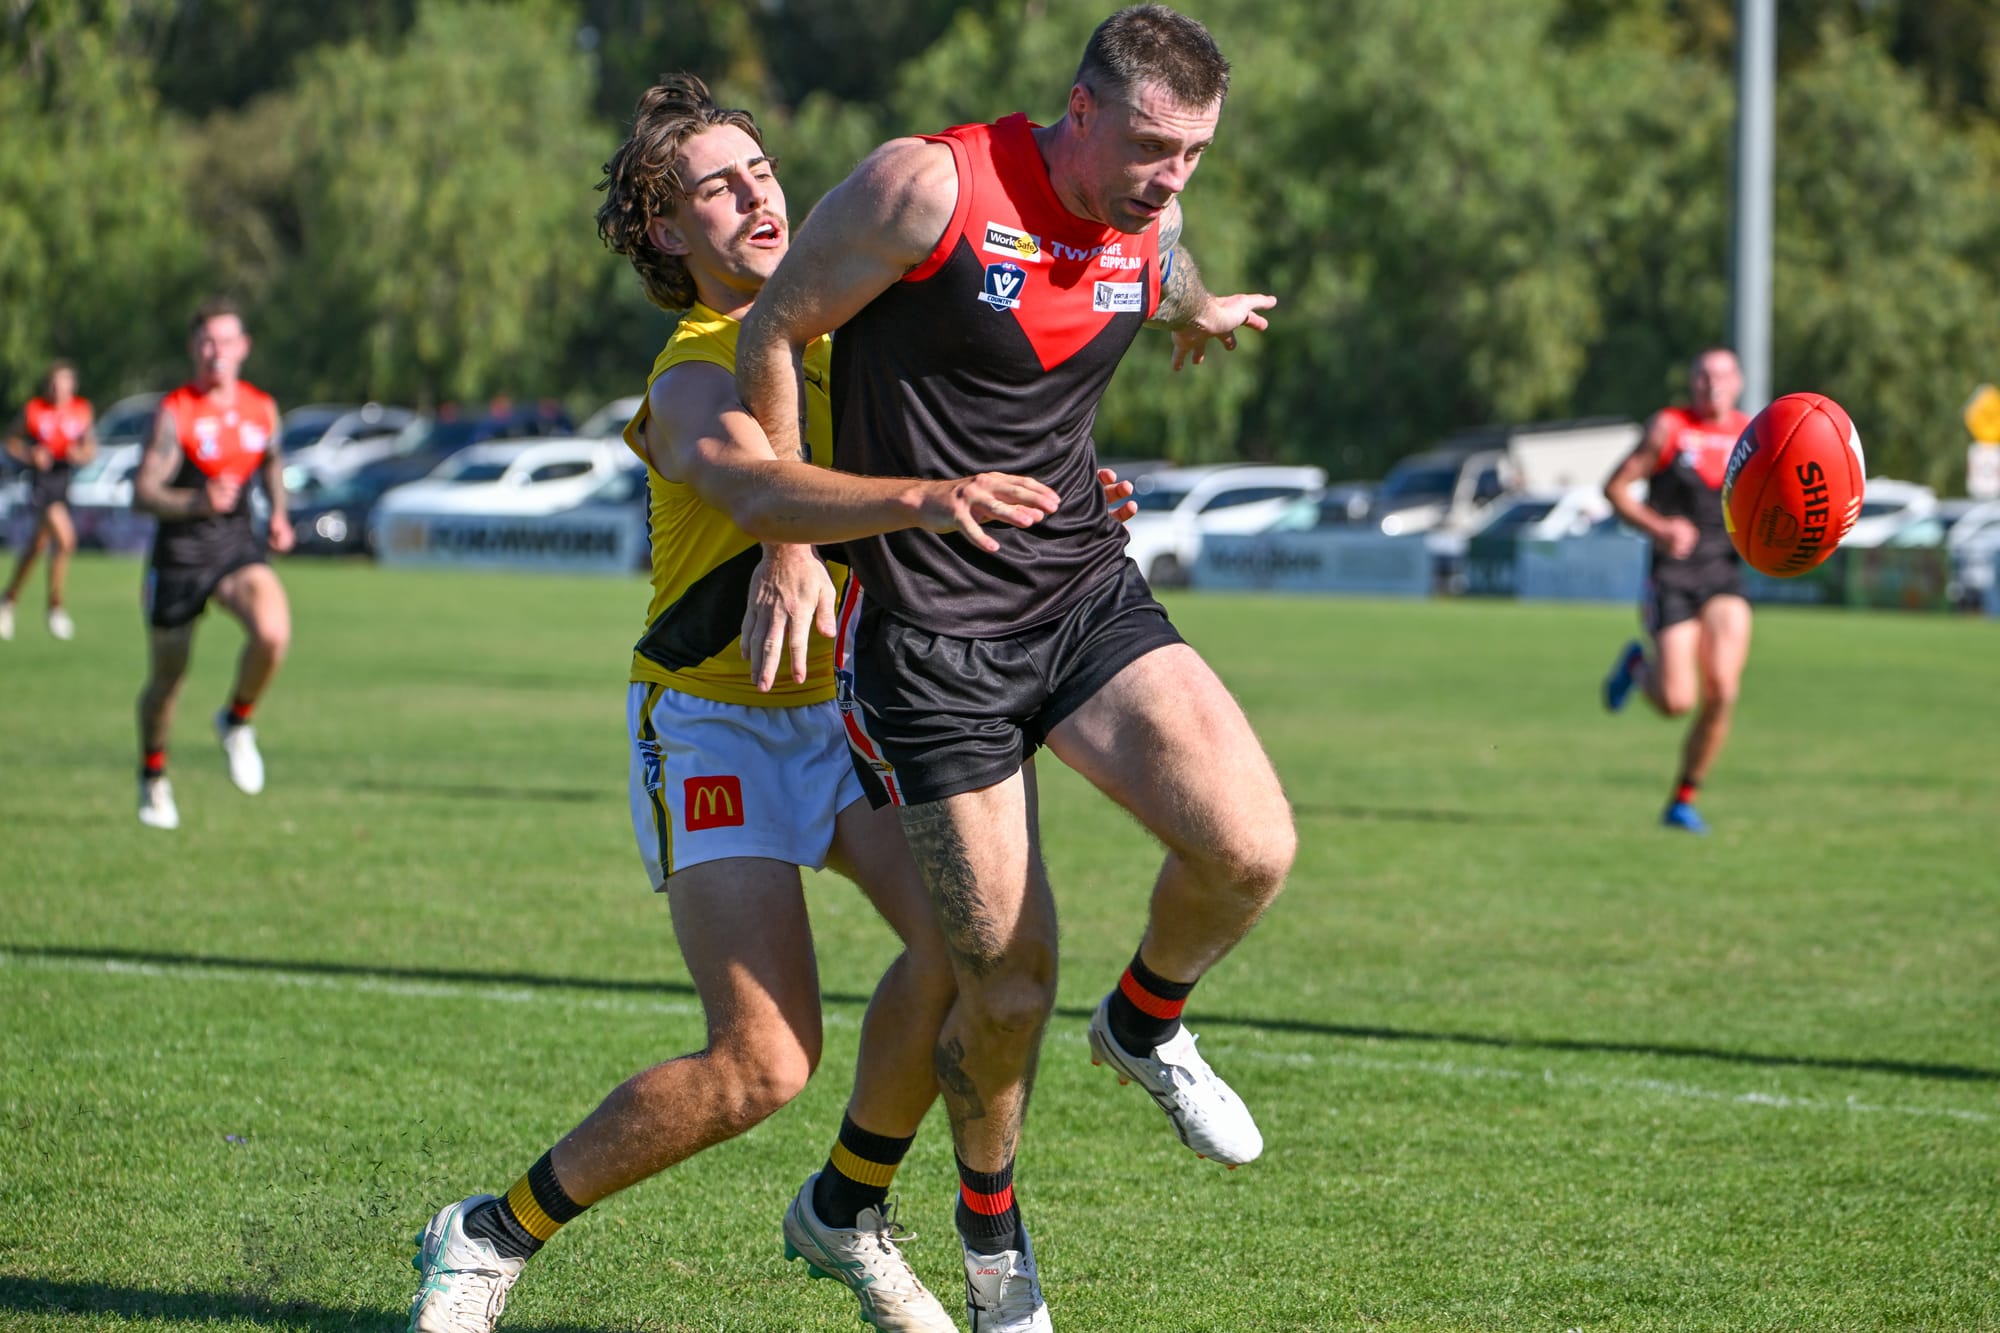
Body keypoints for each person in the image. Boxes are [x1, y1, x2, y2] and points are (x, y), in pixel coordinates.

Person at [404, 75, 1133, 1333]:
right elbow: (753, 486)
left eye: (761, 170)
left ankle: (846, 1207)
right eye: (714, 186)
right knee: (761, 1063)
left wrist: (1053, 498)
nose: (755, 194)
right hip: (715, 723)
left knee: (976, 961)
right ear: (666, 234)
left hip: (851, 714)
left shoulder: (862, 332)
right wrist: (920, 499)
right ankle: (487, 1232)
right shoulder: (694, 370)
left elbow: (980, 442)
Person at [737, 8, 1296, 1328]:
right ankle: (991, 1234)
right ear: (1079, 110)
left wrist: (1200, 300)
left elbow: (1150, 260)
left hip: (1082, 591)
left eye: (1198, 155)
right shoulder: (928, 186)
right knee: (1011, 979)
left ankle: (1148, 1023)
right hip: (933, 641)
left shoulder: (1146, 212)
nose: (1173, 179)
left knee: (1251, 848)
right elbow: (774, 331)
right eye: (1156, 147)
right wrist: (789, 541)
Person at [130, 298, 294, 830]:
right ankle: (154, 777)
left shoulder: (261, 408)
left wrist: (279, 517)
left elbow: (270, 462)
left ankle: (236, 720)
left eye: (225, 341)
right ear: (192, 349)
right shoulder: (177, 411)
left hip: (234, 550)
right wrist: (193, 503)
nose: (215, 352)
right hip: (178, 559)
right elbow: (144, 491)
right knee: (167, 682)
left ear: (243, 348)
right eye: (205, 342)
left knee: (273, 633)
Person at [1601, 347, 1754, 834]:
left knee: (1724, 691)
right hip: (1672, 578)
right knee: (1675, 702)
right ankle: (1636, 665)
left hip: (1723, 577)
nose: (1712, 385)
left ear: (1739, 382)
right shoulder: (1669, 428)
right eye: (1703, 376)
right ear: (1691, 382)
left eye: (1722, 376)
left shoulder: (1752, 436)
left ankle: (1684, 798)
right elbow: (1616, 489)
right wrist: (1660, 526)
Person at [1, 360, 98, 641]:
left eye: (65, 382)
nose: (59, 389)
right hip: (42, 483)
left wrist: (81, 454)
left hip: (64, 480)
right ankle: (55, 607)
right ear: (48, 386)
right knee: (66, 540)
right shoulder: (34, 410)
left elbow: (90, 448)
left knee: (37, 546)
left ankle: (7, 600)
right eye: (55, 383)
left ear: (73, 385)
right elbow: (11, 441)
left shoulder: (81, 410)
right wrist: (31, 455)